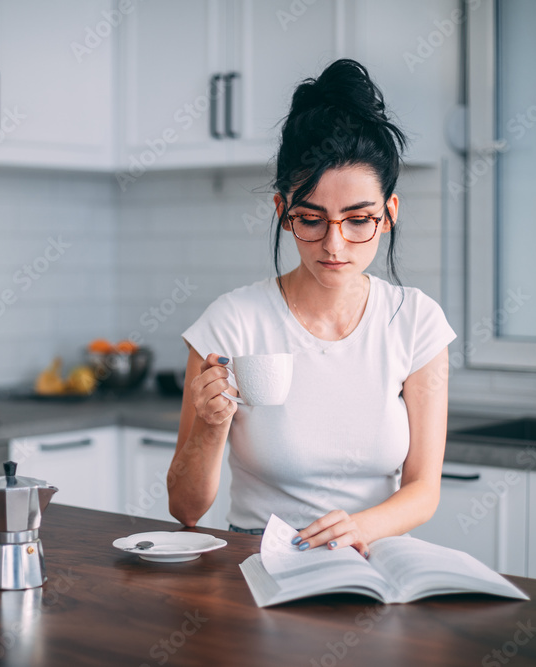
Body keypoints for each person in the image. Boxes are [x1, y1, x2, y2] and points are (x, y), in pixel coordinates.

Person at [168, 59, 456, 558]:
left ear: (388, 214)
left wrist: (359, 529)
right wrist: (211, 426)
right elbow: (185, 510)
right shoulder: (231, 322)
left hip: (372, 556)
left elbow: (423, 489)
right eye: (311, 219)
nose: (334, 244)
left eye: (358, 219)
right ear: (283, 213)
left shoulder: (416, 323)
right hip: (258, 558)